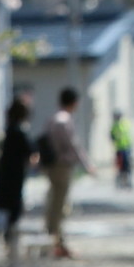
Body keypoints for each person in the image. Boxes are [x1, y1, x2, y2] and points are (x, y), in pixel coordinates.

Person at [41, 88, 95, 258]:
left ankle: (52, 238)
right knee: (60, 205)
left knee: (54, 203)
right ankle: (57, 242)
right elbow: (73, 145)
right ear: (74, 102)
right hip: (62, 166)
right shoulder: (64, 121)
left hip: (51, 166)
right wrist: (87, 164)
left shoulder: (52, 119)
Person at [0, 97, 34, 264]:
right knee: (13, 208)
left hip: (6, 174)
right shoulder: (18, 131)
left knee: (8, 208)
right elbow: (30, 151)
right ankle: (10, 239)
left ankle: (7, 236)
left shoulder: (9, 130)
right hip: (15, 175)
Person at [110, 110, 134, 188]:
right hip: (120, 148)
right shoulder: (114, 125)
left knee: (128, 165)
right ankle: (122, 181)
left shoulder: (125, 123)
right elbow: (112, 136)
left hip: (127, 147)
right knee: (121, 166)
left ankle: (128, 181)